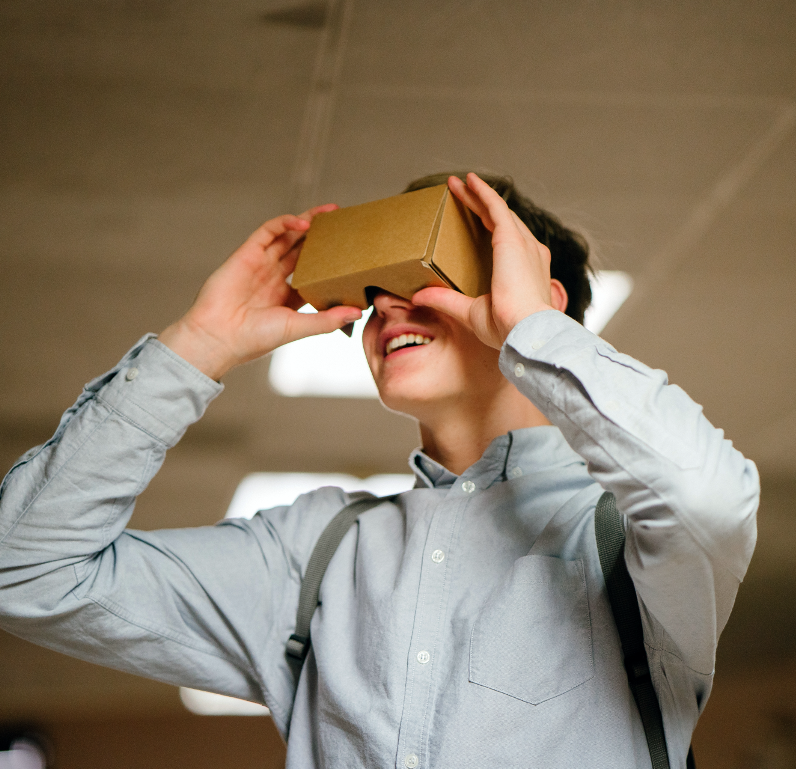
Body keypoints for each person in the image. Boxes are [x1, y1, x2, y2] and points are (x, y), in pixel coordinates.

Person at [0, 173, 758, 768]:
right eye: (374, 294)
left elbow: (709, 500)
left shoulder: (625, 534)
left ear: (537, 300)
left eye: (429, 277)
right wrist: (198, 345)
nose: (388, 309)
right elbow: (24, 567)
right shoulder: (316, 552)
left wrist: (536, 334)